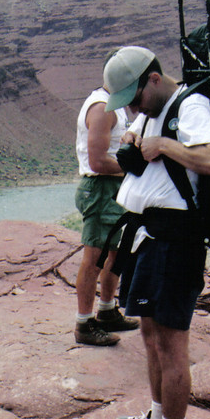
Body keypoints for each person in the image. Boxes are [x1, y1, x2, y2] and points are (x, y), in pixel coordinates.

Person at [103, 46, 210, 419]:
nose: (133, 109)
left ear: (153, 79)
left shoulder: (190, 107)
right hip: (148, 236)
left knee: (171, 345)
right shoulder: (151, 111)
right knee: (150, 334)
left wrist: (166, 146)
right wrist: (135, 140)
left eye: (135, 98)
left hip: (175, 241)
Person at [74, 72, 139, 346]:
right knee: (94, 258)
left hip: (113, 188)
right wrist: (136, 167)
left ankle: (107, 311)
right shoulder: (102, 108)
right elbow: (98, 162)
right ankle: (84, 324)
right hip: (101, 188)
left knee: (116, 252)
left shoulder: (114, 103)